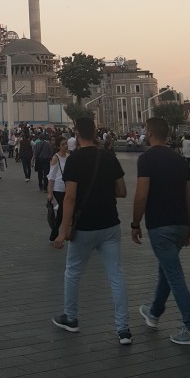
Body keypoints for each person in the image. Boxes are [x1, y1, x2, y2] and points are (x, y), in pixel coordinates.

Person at [52, 116, 132, 345]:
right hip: (110, 224)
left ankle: (71, 317)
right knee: (115, 274)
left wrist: (62, 230)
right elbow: (122, 191)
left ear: (77, 134)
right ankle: (123, 329)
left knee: (73, 272)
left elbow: (69, 198)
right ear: (95, 132)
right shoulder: (108, 157)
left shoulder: (75, 160)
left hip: (84, 227)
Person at [131, 117, 190, 347]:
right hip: (180, 224)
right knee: (167, 269)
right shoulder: (180, 161)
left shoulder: (146, 159)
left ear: (150, 132)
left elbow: (141, 195)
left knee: (174, 274)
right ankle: (154, 313)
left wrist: (135, 223)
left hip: (160, 225)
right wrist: (188, 224)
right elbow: (189, 196)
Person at [47, 137, 69, 243]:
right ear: (58, 146)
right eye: (63, 144)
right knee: (63, 208)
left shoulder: (69, 156)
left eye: (66, 143)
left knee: (63, 209)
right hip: (58, 188)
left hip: (67, 188)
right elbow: (51, 176)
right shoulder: (55, 157)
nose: (65, 146)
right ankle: (56, 232)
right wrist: (50, 192)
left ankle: (56, 232)